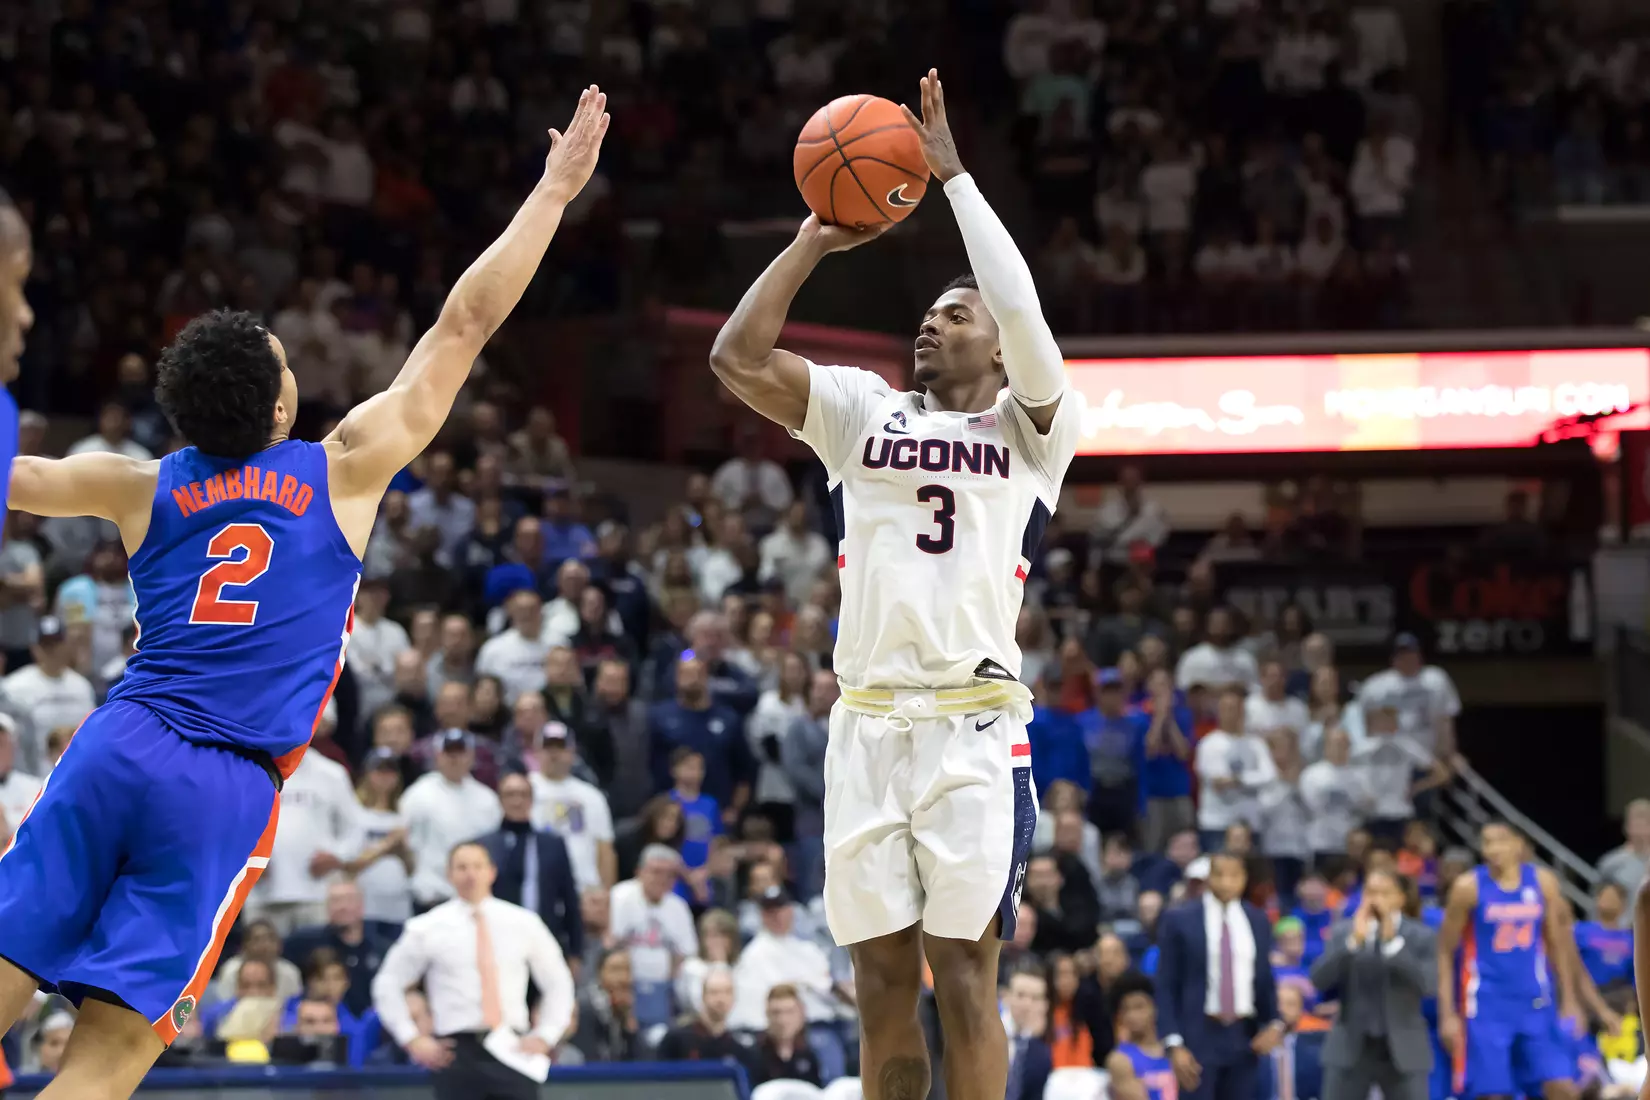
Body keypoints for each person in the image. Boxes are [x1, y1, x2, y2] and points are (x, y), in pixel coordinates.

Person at [0, 89, 609, 1099]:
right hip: (221, 785)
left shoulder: (140, 484)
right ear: (281, 404)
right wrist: (552, 192)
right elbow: (465, 322)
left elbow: (15, 477)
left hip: (118, 740)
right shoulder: (343, 469)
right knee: (108, 1055)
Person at [710, 69, 1084, 1100]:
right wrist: (813, 240)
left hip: (972, 728)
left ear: (1000, 350)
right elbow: (736, 356)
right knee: (880, 989)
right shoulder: (861, 410)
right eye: (927, 313)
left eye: (956, 315)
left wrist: (956, 181)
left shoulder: (1033, 433)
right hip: (867, 724)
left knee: (964, 981)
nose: (933, 324)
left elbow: (1022, 305)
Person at [372, 841, 574, 1096]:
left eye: (478, 866)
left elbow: (558, 982)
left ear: (492, 872)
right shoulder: (427, 927)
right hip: (455, 1052)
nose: (471, 875)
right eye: (462, 867)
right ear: (449, 874)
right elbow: (387, 983)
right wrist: (411, 1038)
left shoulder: (523, 923)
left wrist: (547, 1033)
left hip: (513, 1047)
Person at [1436, 821, 1580, 1100]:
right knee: (1493, 1094)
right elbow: (1444, 951)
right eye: (1486, 842)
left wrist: (1570, 998)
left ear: (1519, 844)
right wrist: (1447, 1014)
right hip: (1487, 1003)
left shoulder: (1543, 882)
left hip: (1536, 1000)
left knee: (1562, 1087)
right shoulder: (1467, 887)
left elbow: (1556, 944)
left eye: (1500, 840)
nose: (1493, 849)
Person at [1154, 850, 1285, 1100]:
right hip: (1198, 1034)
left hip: (1244, 1037)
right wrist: (1173, 1043)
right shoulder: (1180, 919)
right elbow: (1166, 984)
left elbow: (1264, 978)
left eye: (1234, 876)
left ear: (1244, 878)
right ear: (1209, 877)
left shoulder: (1258, 920)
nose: (1226, 882)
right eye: (1219, 875)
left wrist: (1274, 1023)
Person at [1310, 867, 1436, 1100]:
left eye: (1384, 893)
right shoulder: (1343, 933)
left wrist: (1392, 945)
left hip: (1404, 1049)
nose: (1376, 900)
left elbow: (1428, 985)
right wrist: (1352, 944)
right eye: (1370, 892)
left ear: (1401, 898)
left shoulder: (1421, 936)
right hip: (1350, 1047)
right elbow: (1319, 980)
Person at [478, 771, 584, 966]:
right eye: (510, 794)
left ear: (532, 800)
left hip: (543, 937)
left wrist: (575, 951)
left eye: (523, 794)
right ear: (500, 800)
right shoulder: (483, 846)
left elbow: (569, 897)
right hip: (497, 940)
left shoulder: (552, 844)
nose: (517, 801)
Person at [1106, 972, 1177, 1100]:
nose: (1133, 1016)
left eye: (1139, 1007)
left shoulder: (1174, 1051)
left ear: (1154, 1008)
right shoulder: (1120, 1060)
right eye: (1126, 1010)